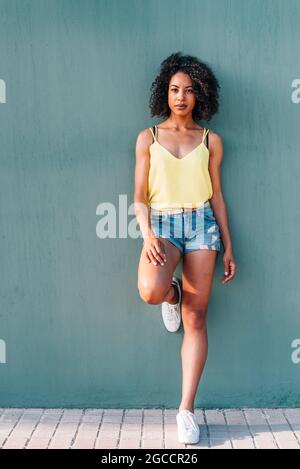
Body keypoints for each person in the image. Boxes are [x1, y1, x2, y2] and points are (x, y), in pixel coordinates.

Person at [134, 52, 237, 445]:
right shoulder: (148, 138)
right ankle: (171, 294)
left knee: (197, 319)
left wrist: (228, 246)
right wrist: (147, 234)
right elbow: (140, 196)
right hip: (160, 223)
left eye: (189, 91)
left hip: (202, 226)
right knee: (150, 290)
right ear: (165, 92)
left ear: (199, 96)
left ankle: (186, 411)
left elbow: (219, 197)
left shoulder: (212, 141)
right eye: (175, 89)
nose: (181, 97)